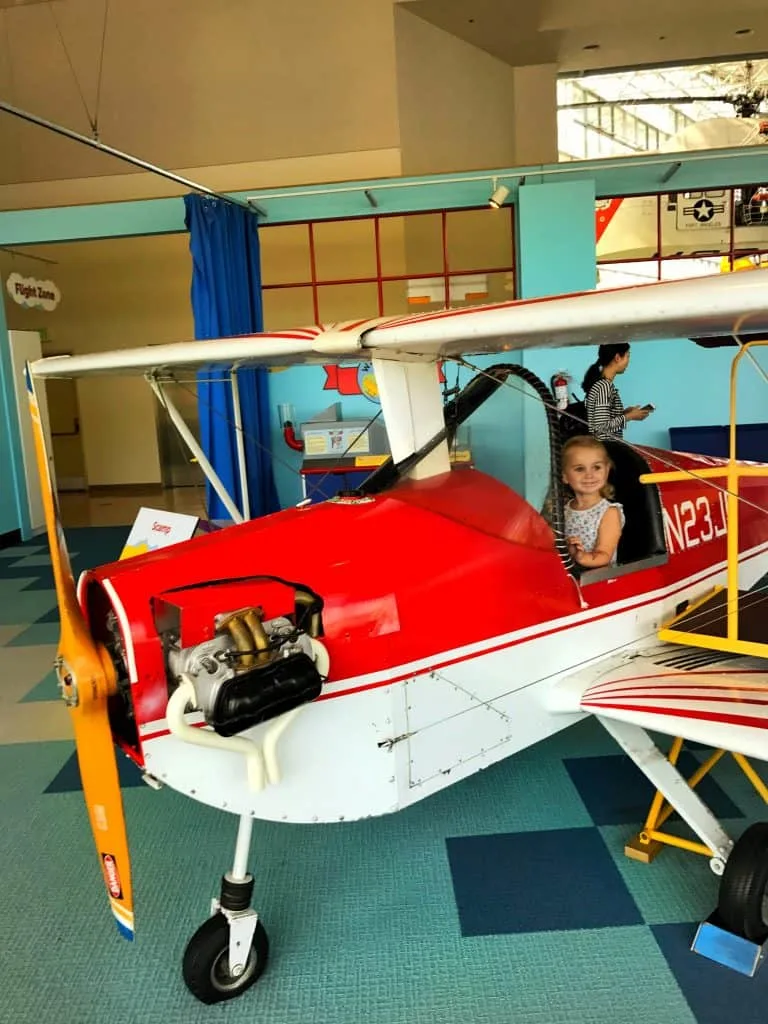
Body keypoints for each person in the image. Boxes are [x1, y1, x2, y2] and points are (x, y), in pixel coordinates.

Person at [562, 435, 625, 568]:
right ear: (565, 476)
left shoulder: (609, 512)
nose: (589, 475)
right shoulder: (562, 510)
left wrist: (580, 556)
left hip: (598, 581)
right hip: (568, 578)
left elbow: (604, 556)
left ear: (607, 470)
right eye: (580, 469)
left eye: (596, 467)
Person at [582, 342, 651, 439]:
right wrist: (629, 416)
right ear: (617, 358)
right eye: (628, 356)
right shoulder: (603, 386)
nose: (628, 361)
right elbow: (600, 426)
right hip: (607, 447)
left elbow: (603, 418)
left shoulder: (604, 385)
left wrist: (625, 413)